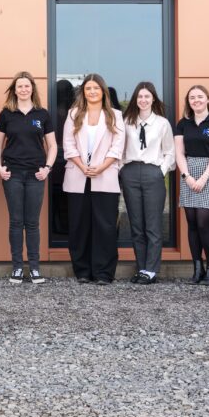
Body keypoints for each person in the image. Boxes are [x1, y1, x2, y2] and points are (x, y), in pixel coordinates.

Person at [0, 71, 57, 285]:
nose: (23, 89)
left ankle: (35, 268)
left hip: (36, 174)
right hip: (12, 174)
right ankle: (18, 267)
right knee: (16, 221)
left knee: (32, 223)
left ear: (32, 89)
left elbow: (53, 146)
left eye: (27, 86)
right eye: (19, 86)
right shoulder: (6, 114)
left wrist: (47, 168)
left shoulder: (42, 114)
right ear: (15, 90)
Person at [62, 73, 125, 284]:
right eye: (88, 88)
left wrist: (101, 167)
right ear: (83, 92)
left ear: (103, 91)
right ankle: (82, 271)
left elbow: (118, 147)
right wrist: (82, 166)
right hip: (78, 176)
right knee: (80, 225)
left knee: (105, 226)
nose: (92, 92)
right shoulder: (73, 114)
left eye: (96, 88)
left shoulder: (115, 115)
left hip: (105, 175)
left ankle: (104, 273)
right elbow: (68, 145)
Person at [119, 81, 174, 285]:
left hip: (153, 173)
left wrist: (161, 170)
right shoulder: (126, 122)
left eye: (147, 97)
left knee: (152, 224)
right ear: (135, 99)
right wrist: (122, 169)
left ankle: (151, 270)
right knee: (136, 224)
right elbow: (120, 149)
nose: (143, 100)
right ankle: (141, 267)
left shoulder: (162, 123)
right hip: (131, 172)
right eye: (140, 97)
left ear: (153, 99)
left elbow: (169, 151)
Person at [174, 85, 209, 285]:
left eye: (199, 96)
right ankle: (198, 268)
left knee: (204, 223)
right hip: (189, 172)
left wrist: (204, 177)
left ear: (207, 99)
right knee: (192, 224)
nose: (195, 100)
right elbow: (179, 153)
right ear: (188, 102)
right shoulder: (183, 124)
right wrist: (187, 175)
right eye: (192, 98)